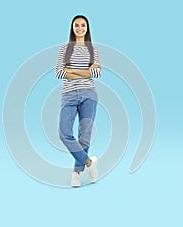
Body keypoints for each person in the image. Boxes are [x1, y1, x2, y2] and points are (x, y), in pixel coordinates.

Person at [55, 15, 102, 187]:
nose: (80, 28)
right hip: (68, 94)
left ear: (87, 28)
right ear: (72, 28)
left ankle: (76, 172)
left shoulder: (92, 49)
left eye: (83, 25)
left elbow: (97, 73)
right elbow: (59, 73)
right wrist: (85, 71)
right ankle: (89, 162)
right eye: (77, 25)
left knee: (85, 135)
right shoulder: (64, 48)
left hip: (89, 94)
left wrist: (72, 72)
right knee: (64, 132)